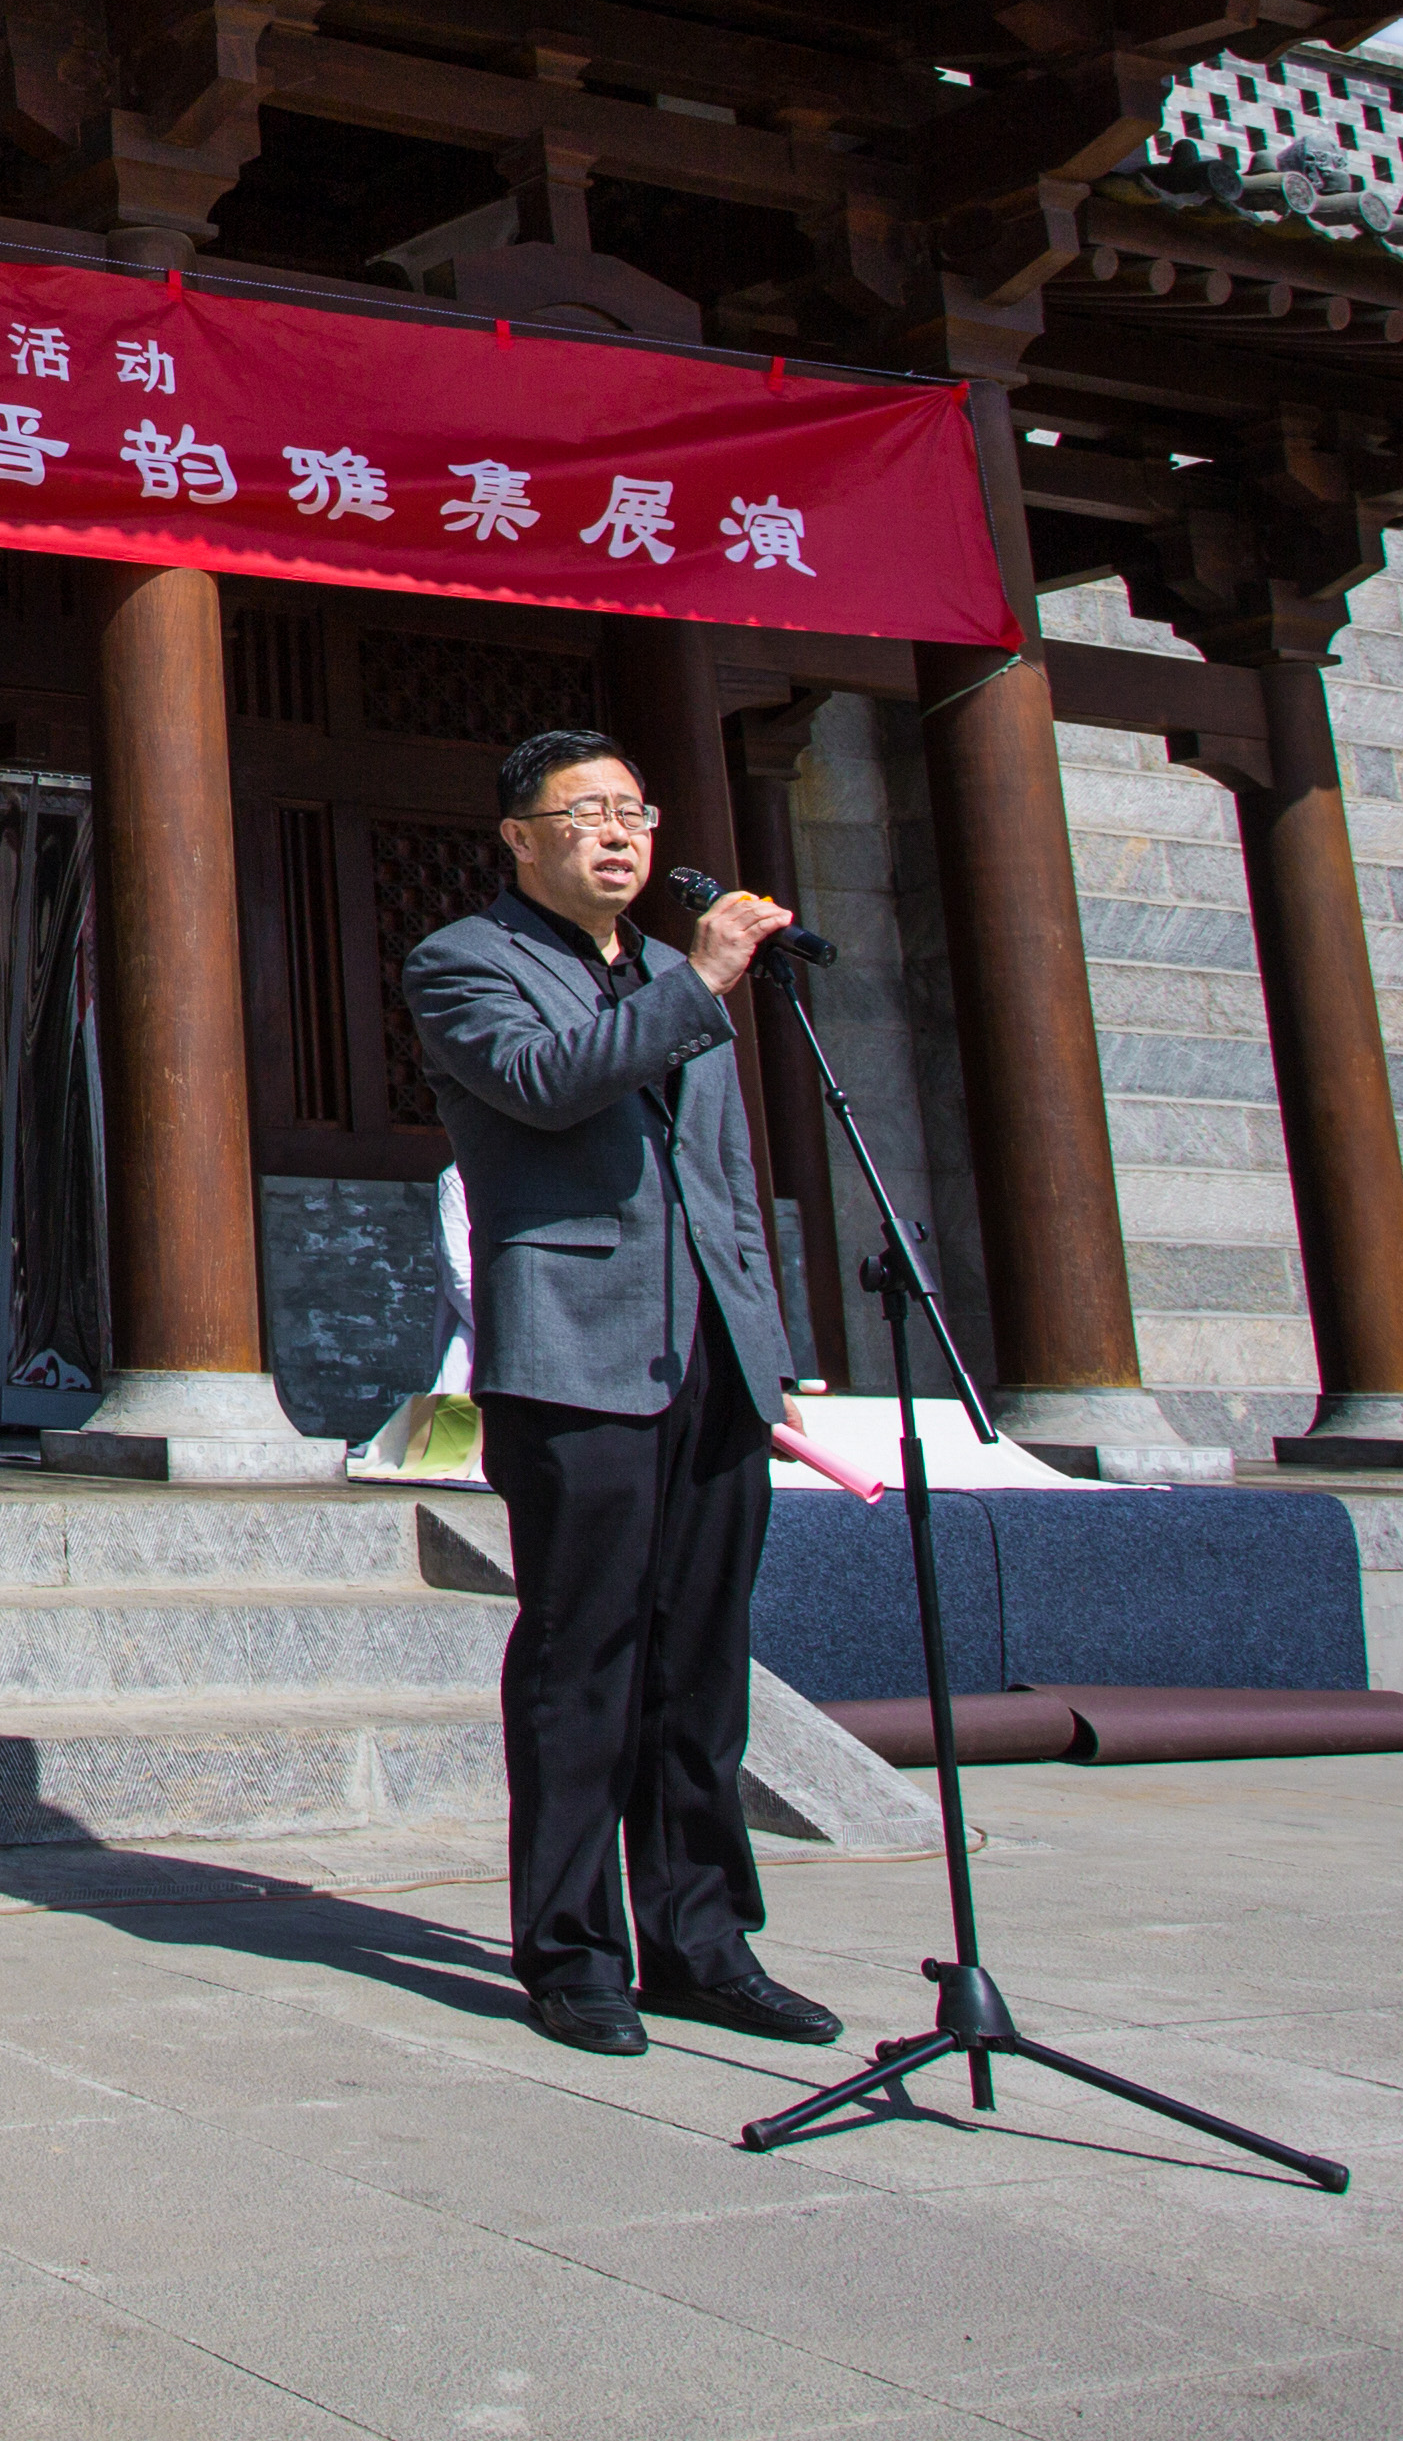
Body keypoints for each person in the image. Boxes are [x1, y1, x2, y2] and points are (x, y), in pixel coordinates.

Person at [399, 727, 842, 2060]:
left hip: (708, 1360)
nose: (618, 835)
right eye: (585, 812)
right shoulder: (466, 963)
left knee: (702, 1666)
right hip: (576, 1358)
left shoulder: (667, 970)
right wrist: (702, 982)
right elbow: (543, 1088)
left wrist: (769, 1361)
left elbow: (724, 1179)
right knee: (582, 1659)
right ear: (519, 838)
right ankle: (575, 1953)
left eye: (635, 813)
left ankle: (703, 1943)